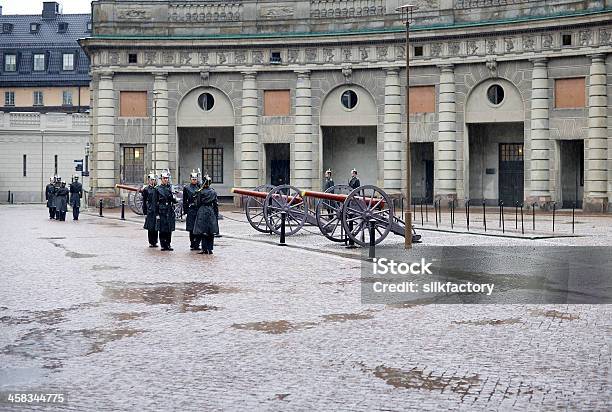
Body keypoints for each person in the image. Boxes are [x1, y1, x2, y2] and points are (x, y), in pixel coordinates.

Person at [193, 174, 219, 255]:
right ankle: (210, 249)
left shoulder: (201, 192)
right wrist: (216, 214)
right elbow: (215, 204)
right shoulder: (213, 192)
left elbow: (198, 203)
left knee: (203, 231)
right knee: (210, 231)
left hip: (202, 210)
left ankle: (204, 248)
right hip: (211, 211)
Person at [155, 170, 177, 251]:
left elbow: (172, 199)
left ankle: (168, 244)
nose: (166, 180)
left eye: (167, 178)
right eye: (164, 178)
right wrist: (157, 214)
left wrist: (175, 199)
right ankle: (163, 245)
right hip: (162, 210)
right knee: (162, 229)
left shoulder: (170, 188)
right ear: (161, 179)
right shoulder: (157, 189)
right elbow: (155, 202)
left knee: (169, 228)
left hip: (169, 210)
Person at [183, 171, 201, 250]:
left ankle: (197, 243)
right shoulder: (187, 188)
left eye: (195, 179)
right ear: (190, 179)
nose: (194, 180)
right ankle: (192, 243)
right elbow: (184, 201)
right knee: (191, 228)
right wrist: (185, 211)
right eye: (193, 179)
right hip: (191, 209)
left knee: (199, 227)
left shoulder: (200, 187)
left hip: (198, 209)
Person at [141, 173, 158, 248]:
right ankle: (151, 241)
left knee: (156, 226)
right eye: (151, 180)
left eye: (153, 180)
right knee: (150, 227)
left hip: (156, 210)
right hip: (150, 210)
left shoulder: (157, 189)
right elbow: (144, 201)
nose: (152, 181)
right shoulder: (146, 189)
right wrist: (145, 211)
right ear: (148, 181)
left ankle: (155, 241)